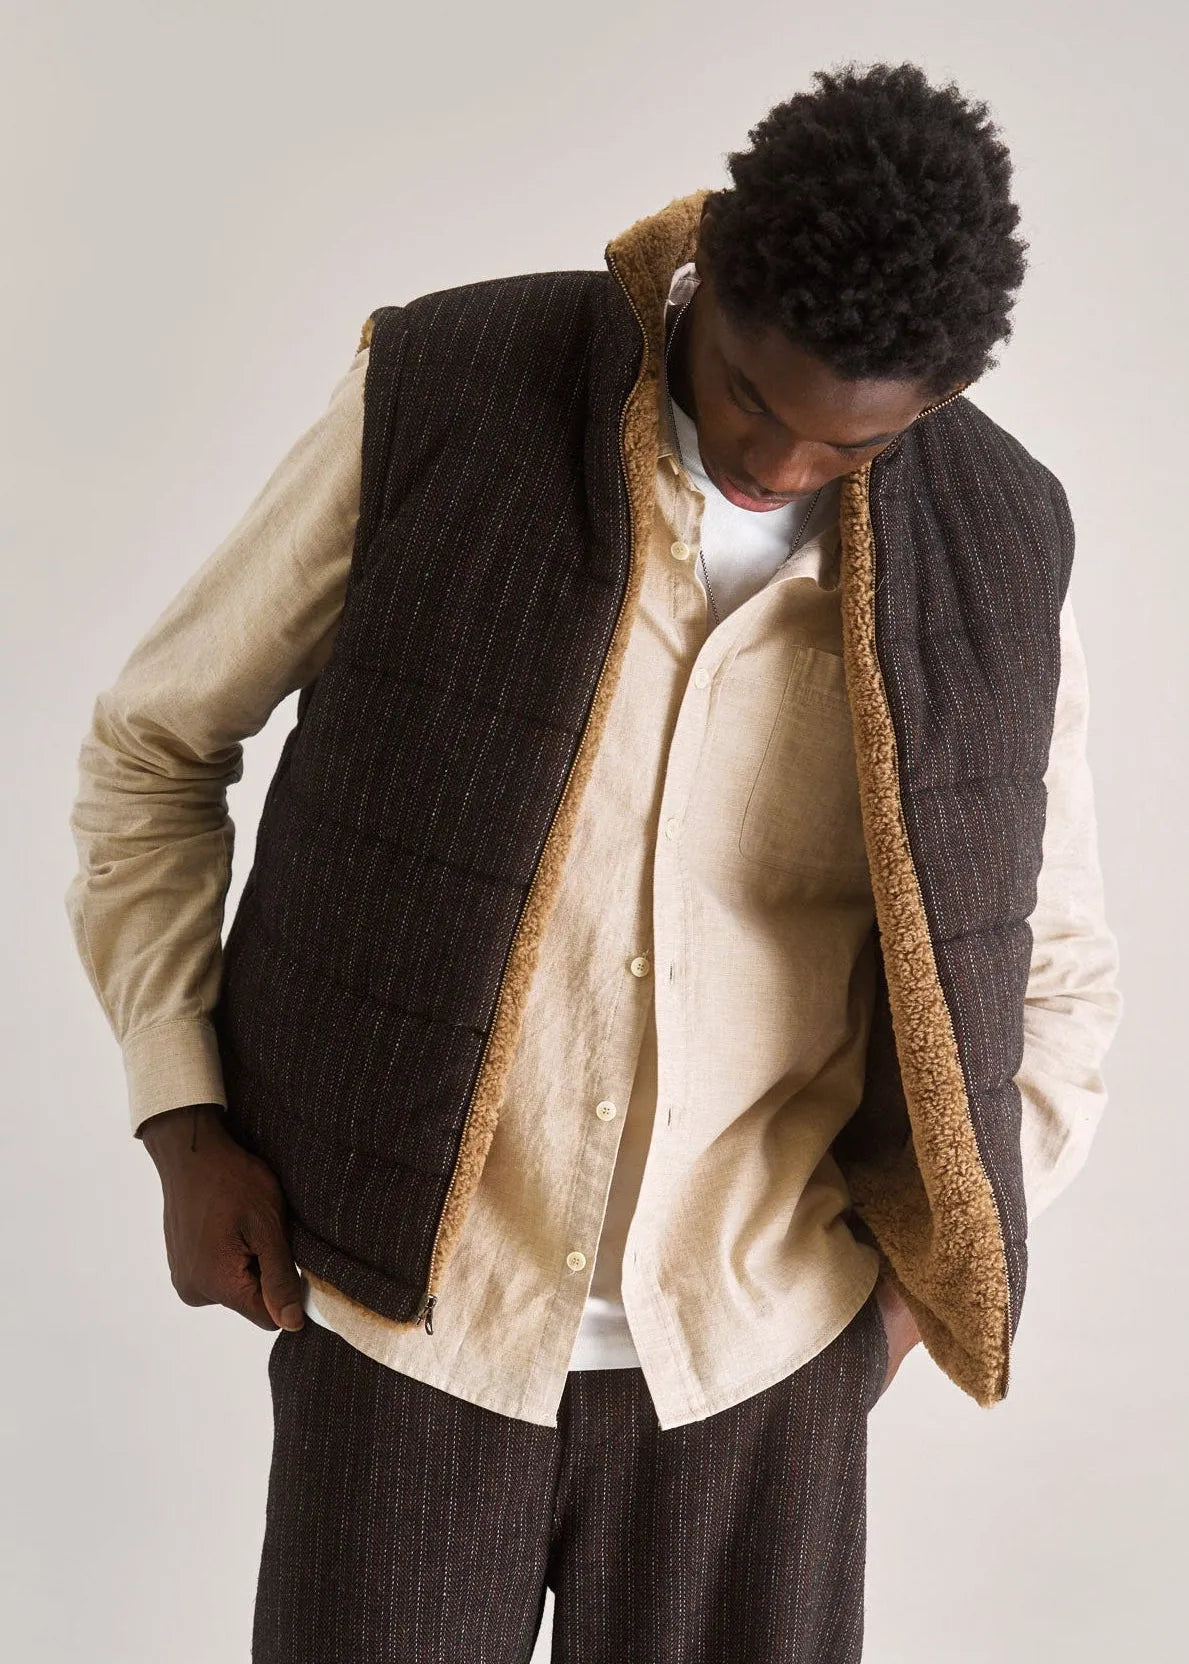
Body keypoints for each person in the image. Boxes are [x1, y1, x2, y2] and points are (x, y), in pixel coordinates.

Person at [66, 59, 1121, 1664]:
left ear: (931, 403)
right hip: (412, 1329)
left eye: (844, 448)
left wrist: (909, 1290)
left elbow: (1055, 968)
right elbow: (153, 746)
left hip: (758, 1363)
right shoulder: (446, 388)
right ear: (711, 269)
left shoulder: (1001, 543)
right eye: (748, 397)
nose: (775, 466)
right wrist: (183, 1116)